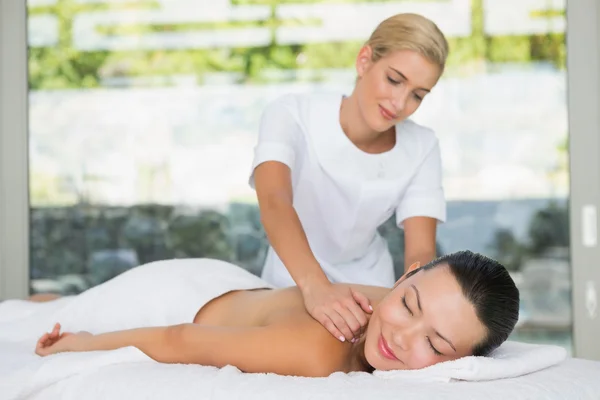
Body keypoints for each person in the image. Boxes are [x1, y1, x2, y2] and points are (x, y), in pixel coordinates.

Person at [249, 13, 449, 344]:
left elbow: (421, 252)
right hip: (293, 279)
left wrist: (409, 317)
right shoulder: (290, 114)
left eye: (418, 95)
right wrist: (316, 289)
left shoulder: (423, 146)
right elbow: (274, 202)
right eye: (394, 80)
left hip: (371, 285)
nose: (400, 103)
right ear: (364, 60)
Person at [33, 251, 520, 378]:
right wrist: (81, 344)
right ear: (405, 276)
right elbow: (183, 339)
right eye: (407, 304)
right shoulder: (318, 351)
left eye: (435, 345)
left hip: (239, 290)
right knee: (59, 317)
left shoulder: (403, 304)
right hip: (174, 297)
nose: (400, 334)